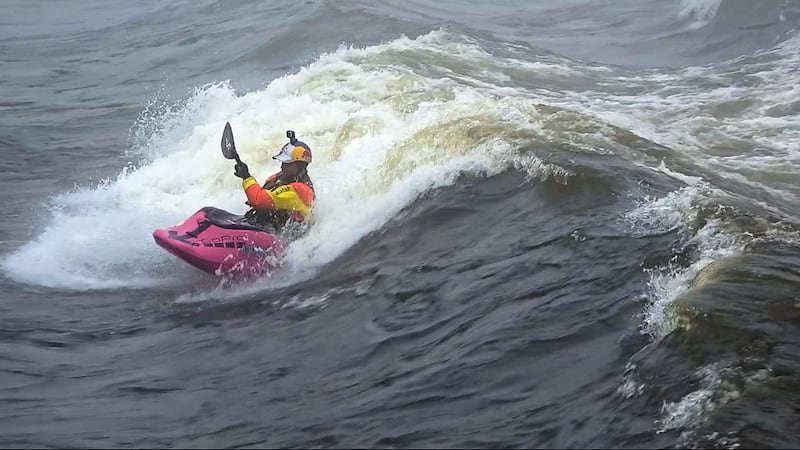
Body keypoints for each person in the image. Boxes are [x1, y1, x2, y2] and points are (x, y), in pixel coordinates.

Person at [232, 130, 315, 236]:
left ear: (300, 165)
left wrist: (246, 177)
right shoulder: (282, 177)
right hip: (268, 229)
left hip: (286, 239)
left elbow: (258, 200)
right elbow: (261, 194)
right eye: (282, 162)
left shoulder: (301, 190)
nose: (282, 166)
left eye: (287, 163)